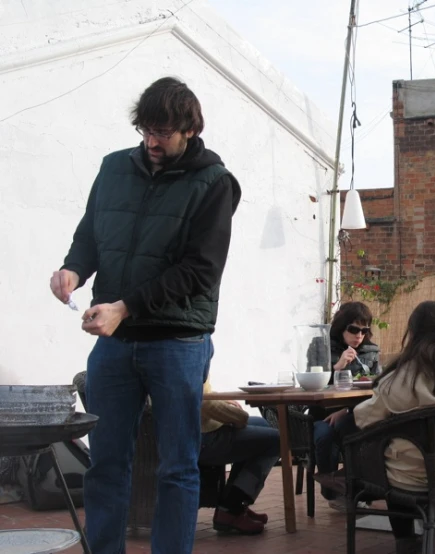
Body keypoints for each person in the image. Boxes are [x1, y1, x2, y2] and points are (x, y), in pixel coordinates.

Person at [49, 77, 241, 554]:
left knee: (177, 467)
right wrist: (73, 269)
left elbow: (201, 270)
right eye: (146, 130)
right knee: (106, 464)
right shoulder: (114, 168)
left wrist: (125, 306)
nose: (153, 142)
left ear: (190, 130)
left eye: (164, 133)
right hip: (113, 343)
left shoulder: (215, 184)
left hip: (178, 343)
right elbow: (90, 235)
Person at [321, 301, 435, 554]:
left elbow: (365, 420)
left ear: (413, 333)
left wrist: (348, 413)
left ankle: (405, 538)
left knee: (379, 449)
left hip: (412, 477)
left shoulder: (397, 379)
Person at [310, 301, 380, 510]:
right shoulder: (320, 347)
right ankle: (333, 494)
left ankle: (361, 490)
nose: (359, 335)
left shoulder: (370, 352)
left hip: (355, 411)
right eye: (354, 329)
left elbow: (377, 388)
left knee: (362, 432)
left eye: (364, 330)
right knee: (325, 435)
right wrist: (338, 366)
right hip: (323, 411)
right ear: (341, 327)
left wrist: (346, 410)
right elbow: (309, 383)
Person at [199, 377, 280, 535]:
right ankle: (230, 509)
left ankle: (234, 503)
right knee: (276, 440)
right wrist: (238, 417)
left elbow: (203, 393)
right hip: (201, 437)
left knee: (262, 424)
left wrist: (224, 400)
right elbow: (202, 402)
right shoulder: (188, 353)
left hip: (202, 427)